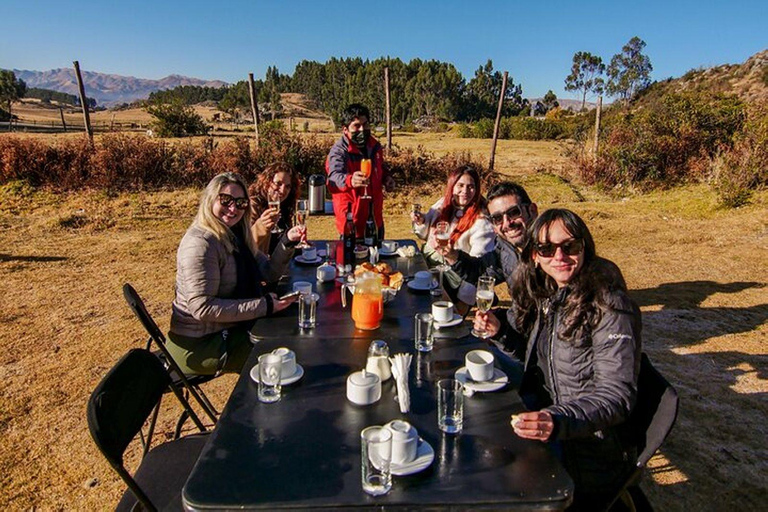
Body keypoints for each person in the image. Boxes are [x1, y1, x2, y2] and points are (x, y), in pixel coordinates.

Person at [474, 208, 641, 510]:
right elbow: (536, 359)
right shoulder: (554, 293)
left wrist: (556, 420)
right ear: (535, 256)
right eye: (547, 248)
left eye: (570, 246)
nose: (559, 256)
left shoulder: (608, 304)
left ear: (585, 248)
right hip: (547, 416)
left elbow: (617, 394)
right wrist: (500, 333)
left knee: (489, 483)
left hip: (585, 447)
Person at [167, 172, 303, 375]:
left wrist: (287, 241)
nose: (233, 208)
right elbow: (202, 308)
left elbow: (267, 273)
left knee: (290, 339)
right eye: (226, 200)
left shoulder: (235, 235)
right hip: (198, 344)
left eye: (240, 203)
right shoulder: (200, 243)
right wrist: (263, 306)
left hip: (226, 329)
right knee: (282, 359)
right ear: (210, 199)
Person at [436, 181, 537, 304]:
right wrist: (453, 256)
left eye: (514, 212)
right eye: (498, 218)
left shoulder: (553, 250)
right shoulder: (505, 248)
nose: (507, 223)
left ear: (532, 211)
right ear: (493, 225)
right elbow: (481, 272)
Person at [325, 103, 394, 238]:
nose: (362, 129)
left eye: (365, 124)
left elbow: (380, 168)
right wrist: (350, 180)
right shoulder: (339, 152)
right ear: (345, 130)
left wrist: (387, 178)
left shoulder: (374, 147)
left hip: (375, 219)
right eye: (356, 126)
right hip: (351, 223)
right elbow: (333, 177)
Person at [411, 165, 495, 268]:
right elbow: (424, 235)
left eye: (470, 186)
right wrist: (421, 222)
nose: (465, 191)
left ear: (476, 190)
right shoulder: (443, 204)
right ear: (452, 186)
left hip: (454, 277)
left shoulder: (482, 223)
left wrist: (453, 255)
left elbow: (478, 266)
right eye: (460, 185)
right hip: (426, 265)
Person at [248, 162, 301, 255]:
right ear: (267, 183)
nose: (282, 190)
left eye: (288, 186)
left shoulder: (285, 207)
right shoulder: (252, 206)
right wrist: (261, 226)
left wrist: (296, 241)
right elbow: (246, 244)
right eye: (278, 184)